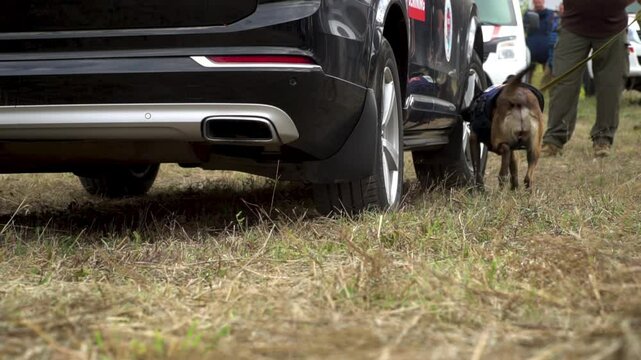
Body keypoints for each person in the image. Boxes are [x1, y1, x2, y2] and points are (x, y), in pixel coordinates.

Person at [541, 0, 639, 158]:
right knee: (563, 83)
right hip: (573, 26)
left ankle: (603, 139)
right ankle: (554, 140)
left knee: (611, 86)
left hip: (613, 28)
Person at [525, 0, 556, 76]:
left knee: (548, 71)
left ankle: (547, 85)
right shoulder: (527, 14)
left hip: (546, 46)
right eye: (536, 0)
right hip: (531, 46)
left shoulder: (551, 14)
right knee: (528, 71)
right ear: (533, 1)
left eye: (540, 0)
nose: (538, 2)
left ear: (543, 1)